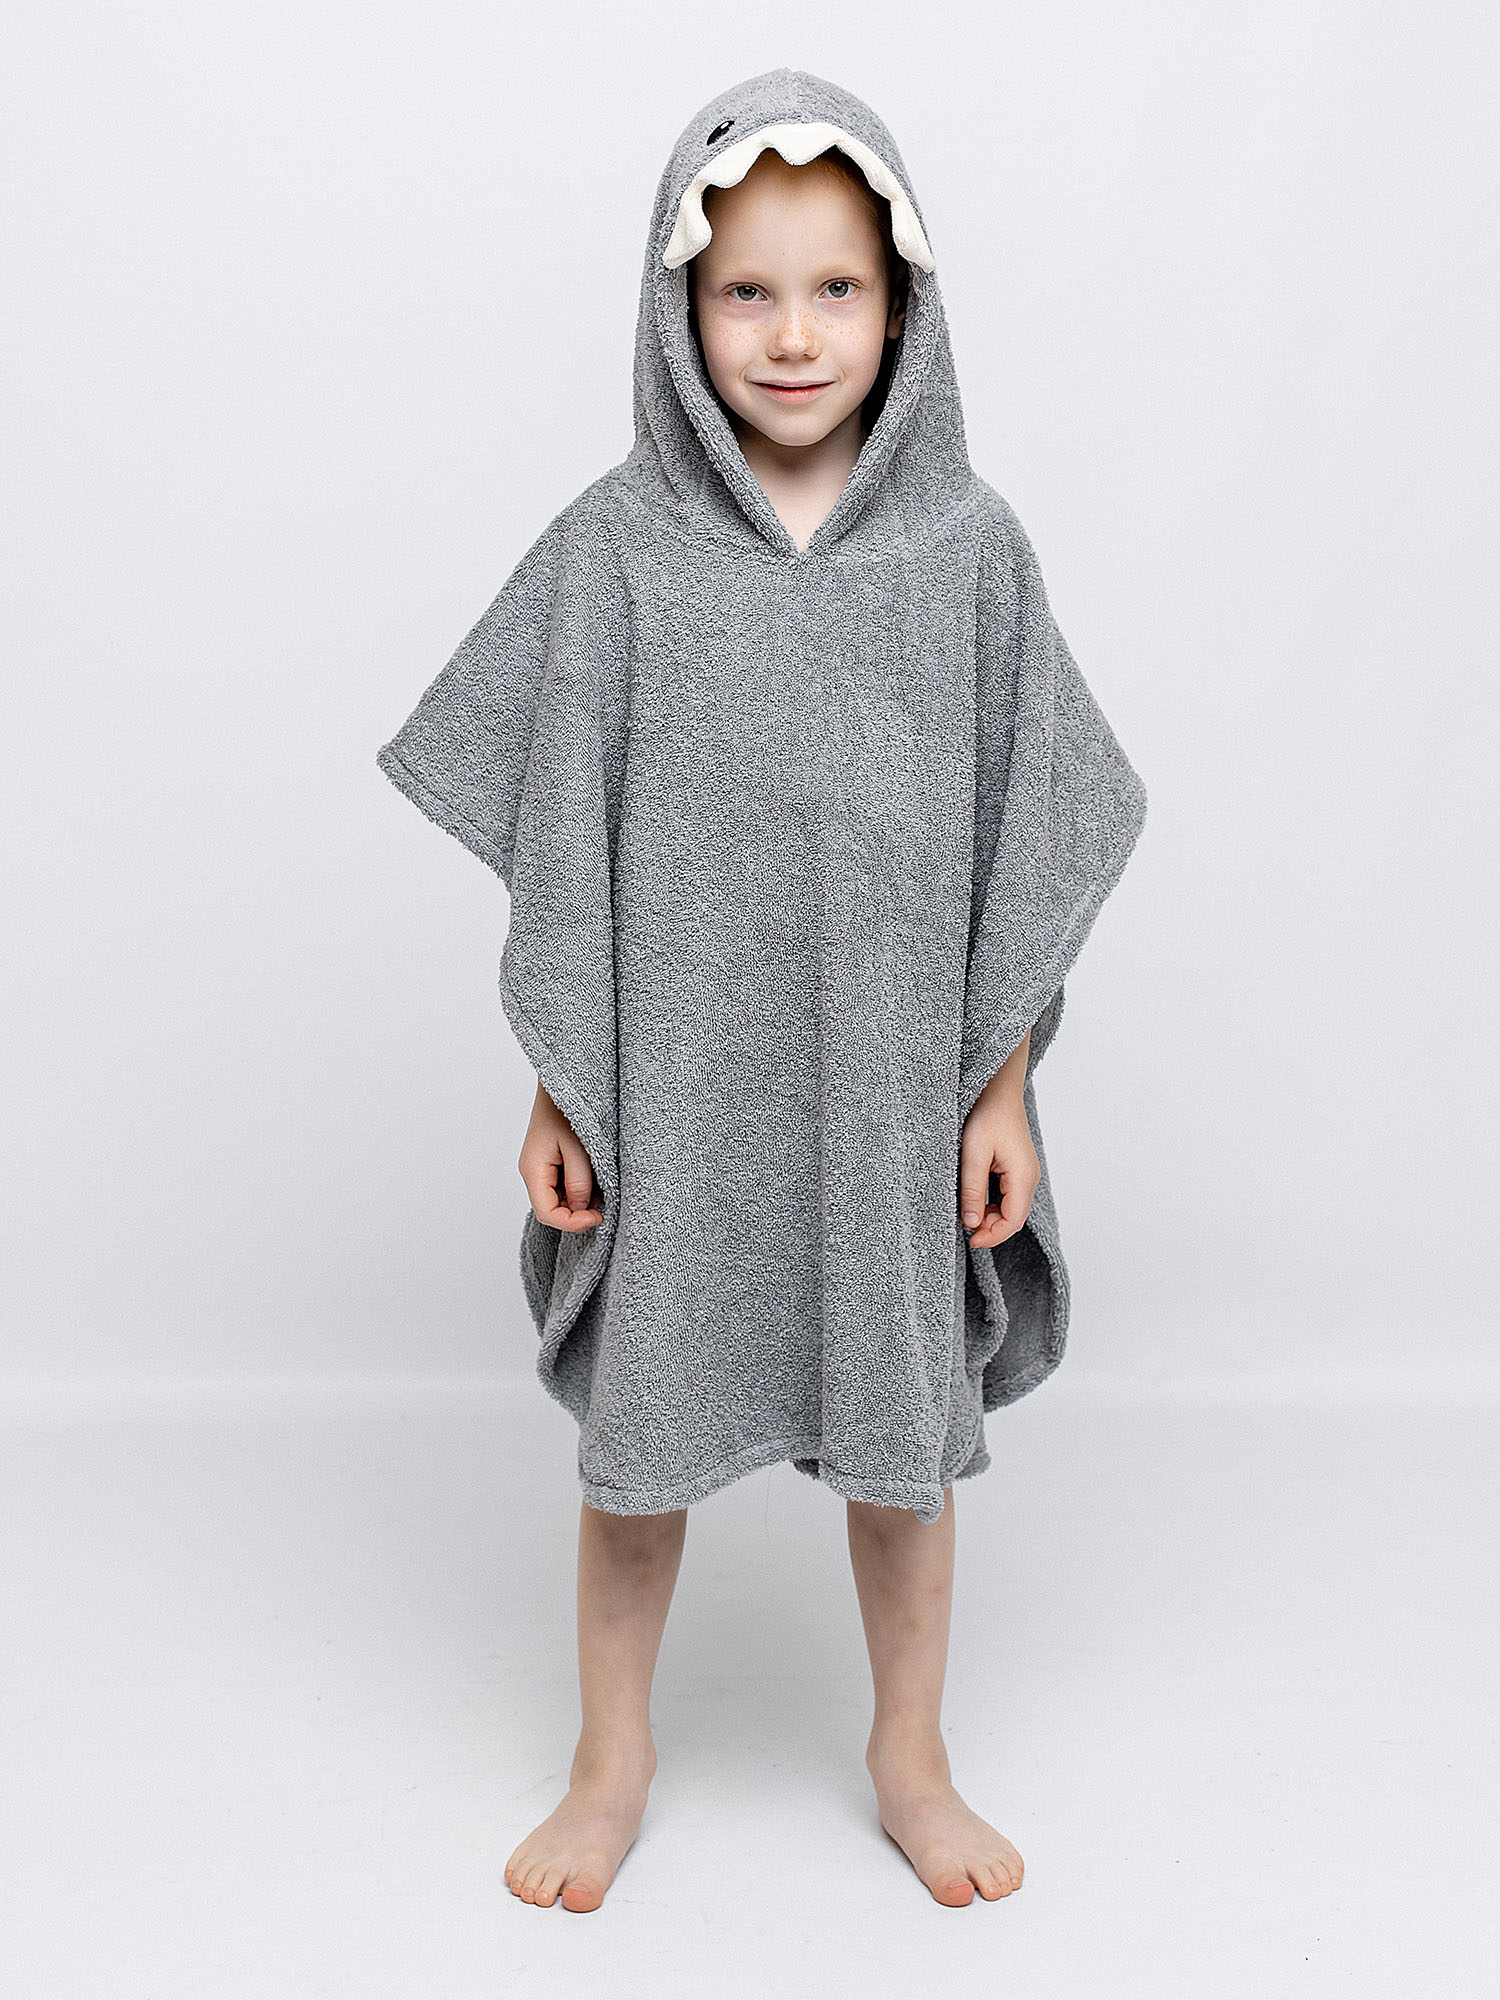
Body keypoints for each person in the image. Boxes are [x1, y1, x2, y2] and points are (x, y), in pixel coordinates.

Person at [376, 68, 1148, 1915]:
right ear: (679, 305)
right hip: (682, 1078)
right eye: (746, 291)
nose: (792, 336)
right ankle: (611, 1761)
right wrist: (565, 1081)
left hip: (890, 1083)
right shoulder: (617, 552)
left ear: (903, 303)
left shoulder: (970, 555)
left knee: (903, 1445)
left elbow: (1030, 835)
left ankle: (911, 1756)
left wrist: (1001, 1084)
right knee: (639, 1447)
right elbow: (564, 845)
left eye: (836, 290)